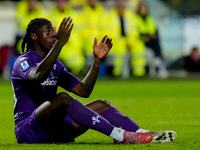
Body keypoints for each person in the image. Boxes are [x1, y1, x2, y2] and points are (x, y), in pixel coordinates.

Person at [11, 16, 176, 144]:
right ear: (34, 37)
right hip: (30, 130)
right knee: (62, 98)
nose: (53, 37)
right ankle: (119, 135)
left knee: (102, 105)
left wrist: (96, 61)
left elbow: (83, 91)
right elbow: (36, 77)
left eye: (55, 34)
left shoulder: (56, 65)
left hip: (55, 129)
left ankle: (143, 134)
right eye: (48, 33)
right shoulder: (24, 61)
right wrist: (60, 44)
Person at [108, 0, 146, 77]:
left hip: (130, 40)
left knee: (139, 47)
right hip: (117, 41)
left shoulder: (130, 15)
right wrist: (122, 41)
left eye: (123, 6)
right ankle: (117, 73)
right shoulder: (111, 16)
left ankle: (138, 73)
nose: (121, 8)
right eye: (120, 6)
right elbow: (110, 32)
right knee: (118, 49)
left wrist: (129, 42)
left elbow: (134, 31)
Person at [48, 0, 85, 75]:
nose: (61, 4)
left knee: (79, 59)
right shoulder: (51, 16)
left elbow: (77, 32)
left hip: (73, 44)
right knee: (70, 59)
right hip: (59, 45)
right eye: (59, 2)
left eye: (63, 2)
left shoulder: (73, 15)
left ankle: (76, 72)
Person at [135, 2, 169, 78]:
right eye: (142, 9)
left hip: (151, 41)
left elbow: (155, 31)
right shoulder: (135, 19)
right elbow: (135, 32)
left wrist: (152, 36)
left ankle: (158, 62)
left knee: (156, 43)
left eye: (145, 9)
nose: (143, 11)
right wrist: (147, 35)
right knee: (154, 44)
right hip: (141, 41)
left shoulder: (150, 19)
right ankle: (159, 64)